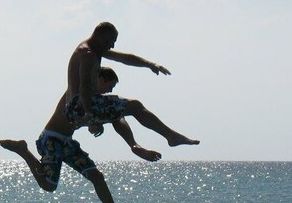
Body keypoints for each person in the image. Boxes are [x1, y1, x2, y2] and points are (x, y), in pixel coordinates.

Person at [1, 68, 160, 203]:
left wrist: (133, 144)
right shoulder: (76, 91)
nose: (110, 91)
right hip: (51, 139)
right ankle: (23, 150)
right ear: (99, 79)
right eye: (109, 86)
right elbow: (74, 115)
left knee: (97, 177)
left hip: (67, 142)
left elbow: (115, 116)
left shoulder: (95, 101)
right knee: (48, 185)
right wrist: (91, 121)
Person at [64, 21, 199, 147]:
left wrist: (151, 64)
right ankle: (171, 136)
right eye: (111, 41)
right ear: (101, 37)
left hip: (79, 106)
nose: (112, 46)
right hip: (80, 105)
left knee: (119, 110)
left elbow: (124, 58)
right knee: (134, 106)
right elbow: (85, 86)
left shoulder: (95, 50)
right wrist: (90, 117)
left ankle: (142, 143)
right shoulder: (87, 54)